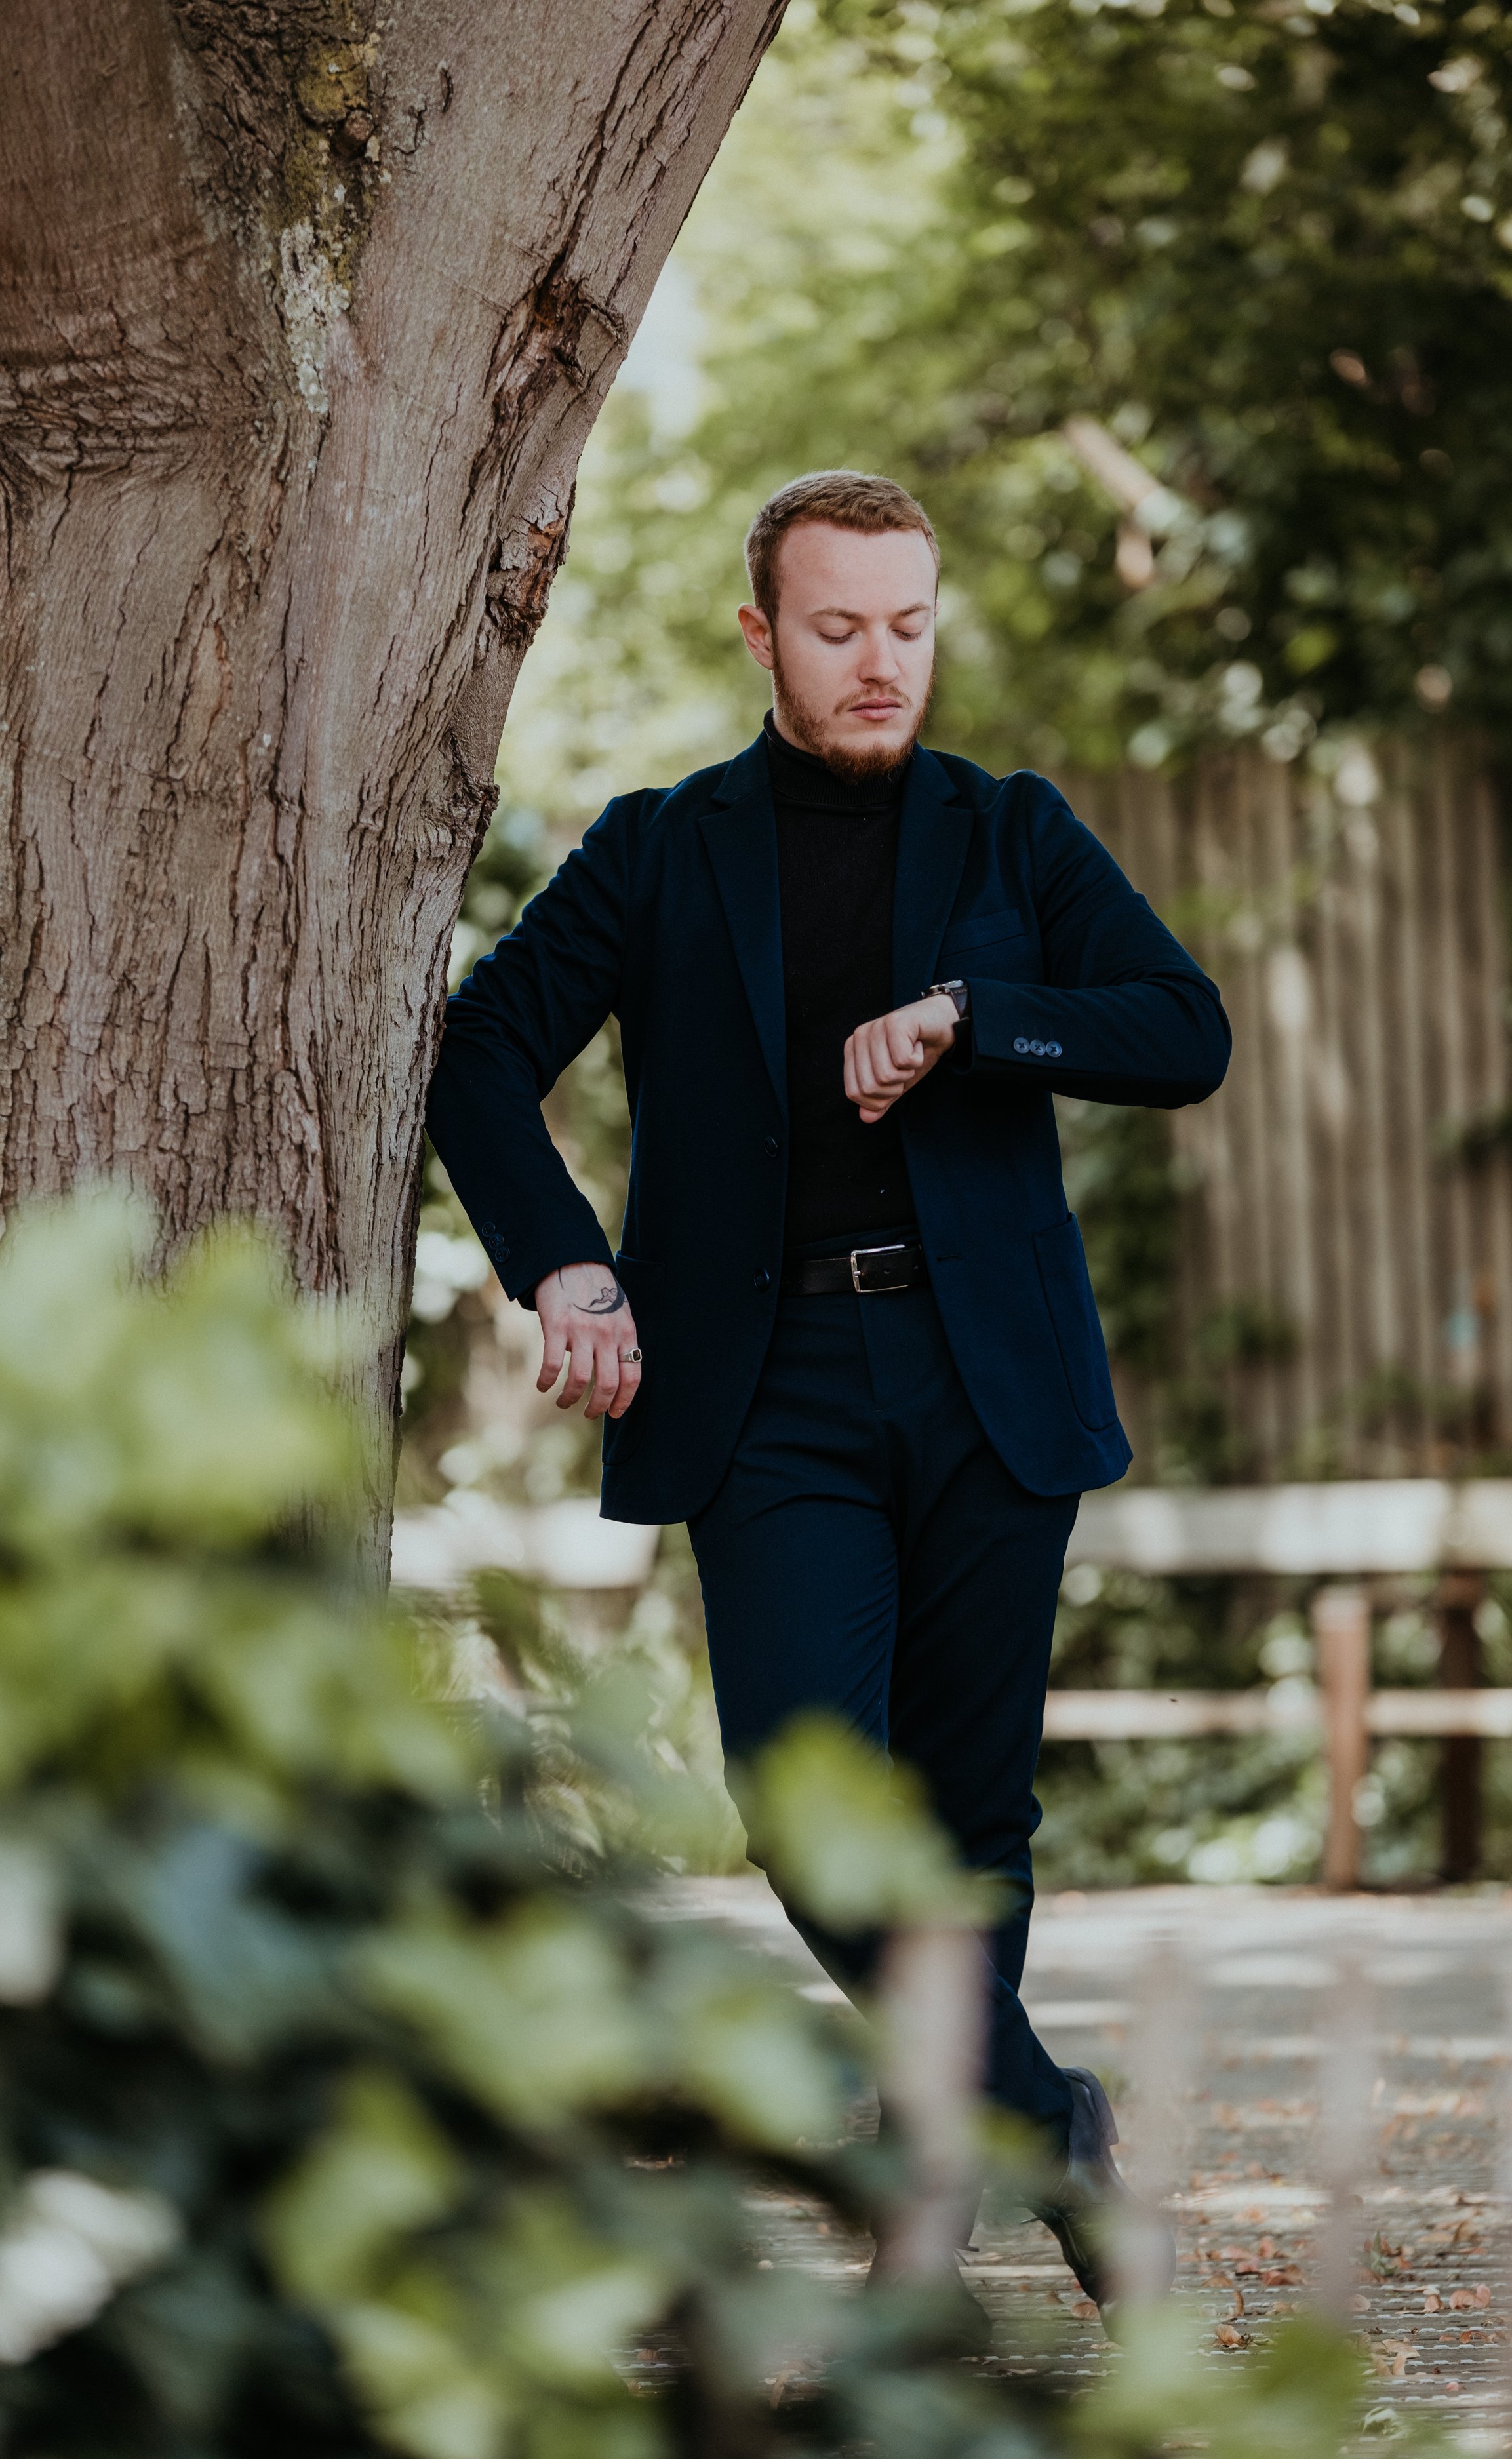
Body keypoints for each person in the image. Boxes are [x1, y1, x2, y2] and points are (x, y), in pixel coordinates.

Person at [426, 469, 1231, 2310]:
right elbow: (479, 1052)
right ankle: (1044, 2121)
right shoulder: (658, 850)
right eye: (838, 626)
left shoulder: (1010, 835)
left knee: (971, 1820)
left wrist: (974, 1021)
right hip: (765, 1376)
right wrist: (563, 1261)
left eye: (908, 624)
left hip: (986, 1374)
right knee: (803, 1802)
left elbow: (1179, 1028)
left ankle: (931, 2200)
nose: (881, 663)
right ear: (761, 633)